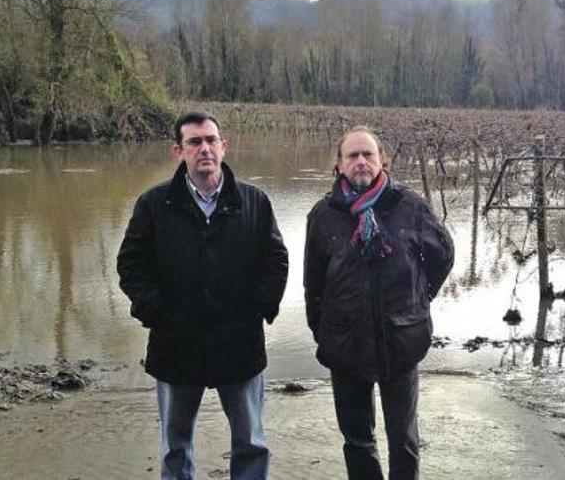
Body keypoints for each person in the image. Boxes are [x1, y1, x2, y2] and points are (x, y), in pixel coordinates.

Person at [117, 111, 289, 480]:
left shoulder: (254, 202)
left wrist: (258, 309)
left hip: (239, 342)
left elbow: (275, 260)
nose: (205, 149)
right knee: (175, 448)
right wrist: (156, 312)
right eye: (195, 142)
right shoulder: (154, 204)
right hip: (176, 343)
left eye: (211, 140)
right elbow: (131, 265)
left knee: (251, 442)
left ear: (224, 147)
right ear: (178, 151)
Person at [304, 126, 454, 479]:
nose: (361, 162)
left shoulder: (410, 207)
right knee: (357, 441)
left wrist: (420, 301)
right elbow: (313, 284)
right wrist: (325, 332)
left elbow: (443, 257)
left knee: (403, 439)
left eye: (367, 154)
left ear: (381, 160)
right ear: (338, 165)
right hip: (345, 345)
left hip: (401, 341)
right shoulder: (323, 216)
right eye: (352, 156)